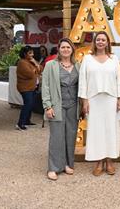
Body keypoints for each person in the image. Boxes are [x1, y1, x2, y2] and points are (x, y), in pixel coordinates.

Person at [78, 31, 120, 176]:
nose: (101, 42)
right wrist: (84, 100)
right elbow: (83, 80)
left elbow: (118, 79)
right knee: (96, 131)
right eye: (98, 39)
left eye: (103, 39)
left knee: (110, 130)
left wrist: (119, 98)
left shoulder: (114, 59)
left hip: (110, 99)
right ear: (95, 42)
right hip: (93, 99)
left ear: (107, 42)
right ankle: (98, 162)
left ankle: (109, 161)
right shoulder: (87, 59)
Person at [41, 38, 80, 181]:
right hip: (57, 106)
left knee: (70, 136)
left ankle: (67, 164)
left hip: (73, 106)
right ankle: (53, 168)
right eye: (63, 47)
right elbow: (45, 86)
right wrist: (47, 106)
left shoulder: (78, 66)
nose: (65, 50)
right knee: (57, 137)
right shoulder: (51, 65)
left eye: (68, 47)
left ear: (72, 50)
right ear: (59, 49)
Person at [16, 45, 42, 130]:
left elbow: (41, 69)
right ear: (24, 54)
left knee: (31, 104)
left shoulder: (31, 61)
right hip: (25, 87)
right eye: (30, 53)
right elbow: (30, 74)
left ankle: (27, 120)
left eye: (32, 53)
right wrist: (35, 67)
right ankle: (20, 123)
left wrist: (35, 64)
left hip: (33, 87)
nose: (32, 55)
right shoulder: (22, 62)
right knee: (28, 104)